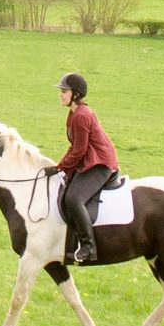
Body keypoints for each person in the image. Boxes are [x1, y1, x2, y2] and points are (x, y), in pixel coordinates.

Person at [54, 73, 119, 265]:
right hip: (89, 160)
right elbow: (74, 147)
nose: (61, 95)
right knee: (67, 193)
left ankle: (89, 247)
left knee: (74, 199)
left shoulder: (81, 116)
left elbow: (80, 150)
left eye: (64, 92)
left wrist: (63, 166)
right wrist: (59, 166)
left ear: (75, 94)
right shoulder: (74, 114)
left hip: (100, 164)